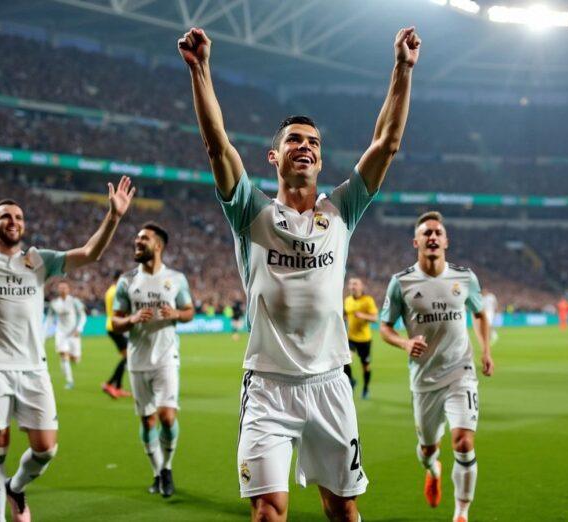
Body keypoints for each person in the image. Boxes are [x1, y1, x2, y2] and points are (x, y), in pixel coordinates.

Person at [179, 23, 420, 522]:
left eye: (312, 141)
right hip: (267, 385)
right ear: (274, 156)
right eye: (293, 140)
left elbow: (386, 143)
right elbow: (217, 146)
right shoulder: (251, 212)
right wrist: (201, 69)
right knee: (268, 511)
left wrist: (402, 68)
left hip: (330, 381)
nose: (304, 146)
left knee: (343, 510)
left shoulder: (341, 211)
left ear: (321, 158)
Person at [0, 177, 135, 522]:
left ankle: (16, 487)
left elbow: (90, 253)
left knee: (46, 449)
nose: (14, 222)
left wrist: (113, 217)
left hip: (34, 368)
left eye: (19, 218)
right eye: (6, 217)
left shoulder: (38, 261)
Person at [379, 211, 494, 522]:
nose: (432, 237)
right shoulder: (400, 283)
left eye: (437, 233)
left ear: (446, 241)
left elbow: (481, 314)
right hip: (424, 378)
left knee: (464, 441)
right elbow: (385, 326)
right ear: (416, 241)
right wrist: (404, 343)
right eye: (426, 233)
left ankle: (461, 513)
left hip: (461, 371)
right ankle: (432, 468)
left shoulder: (464, 278)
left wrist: (485, 351)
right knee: (428, 449)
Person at [112, 222, 195, 498]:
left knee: (167, 417)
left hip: (166, 357)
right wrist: (132, 319)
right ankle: (158, 472)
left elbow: (189, 311)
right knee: (147, 421)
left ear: (158, 245)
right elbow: (115, 321)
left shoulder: (176, 279)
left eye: (143, 238)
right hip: (138, 359)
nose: (137, 241)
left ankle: (168, 467)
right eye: (136, 238)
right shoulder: (126, 280)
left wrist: (176, 315)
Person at [46, 280, 87, 389]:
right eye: (60, 288)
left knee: (76, 359)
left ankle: (71, 359)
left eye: (65, 287)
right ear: (58, 290)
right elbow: (49, 318)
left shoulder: (75, 301)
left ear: (68, 289)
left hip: (73, 334)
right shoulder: (54, 303)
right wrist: (46, 333)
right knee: (64, 355)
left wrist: (79, 329)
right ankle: (69, 381)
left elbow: (83, 316)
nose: (62, 289)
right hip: (60, 333)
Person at [343, 277, 378, 399]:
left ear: (361, 287)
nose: (352, 286)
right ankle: (351, 380)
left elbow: (375, 318)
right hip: (351, 338)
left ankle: (366, 388)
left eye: (355, 284)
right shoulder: (347, 300)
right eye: (351, 284)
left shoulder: (368, 300)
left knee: (366, 366)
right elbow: (346, 315)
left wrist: (362, 315)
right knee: (344, 361)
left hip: (364, 340)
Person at [102, 270, 131, 398]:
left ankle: (118, 387)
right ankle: (109, 384)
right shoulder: (116, 292)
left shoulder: (110, 291)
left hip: (112, 326)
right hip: (116, 327)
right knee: (128, 357)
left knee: (127, 357)